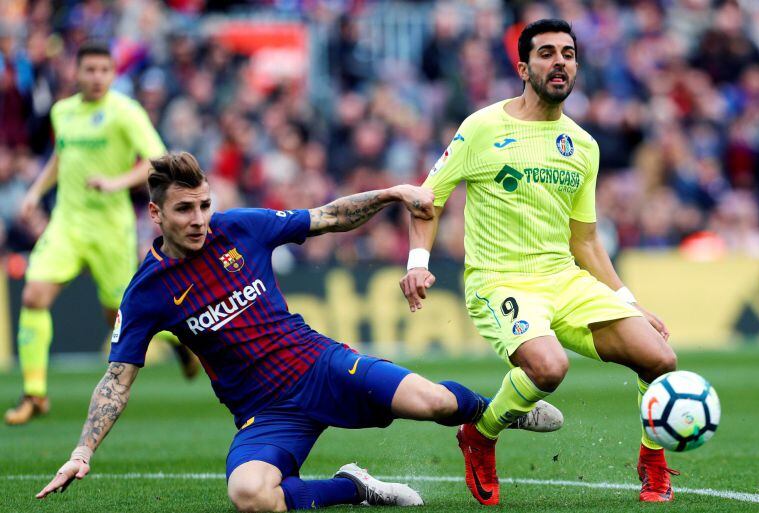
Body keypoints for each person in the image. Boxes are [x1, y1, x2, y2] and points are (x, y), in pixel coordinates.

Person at [35, 152, 563, 511]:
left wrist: (393, 193)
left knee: (434, 404)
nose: (199, 219)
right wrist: (82, 451)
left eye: (203, 205)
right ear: (155, 214)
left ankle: (499, 413)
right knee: (250, 495)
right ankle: (352, 487)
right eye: (184, 210)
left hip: (321, 365)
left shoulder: (240, 226)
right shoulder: (146, 292)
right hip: (265, 413)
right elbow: (116, 380)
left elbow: (329, 217)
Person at [399, 19, 678, 506]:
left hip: (564, 280)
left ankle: (652, 459)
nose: (560, 62)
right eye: (547, 53)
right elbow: (428, 200)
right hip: (499, 280)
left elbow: (586, 241)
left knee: (659, 358)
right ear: (523, 67)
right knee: (549, 368)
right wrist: (417, 261)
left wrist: (629, 302)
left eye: (568, 54)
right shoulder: (482, 127)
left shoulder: (582, 146)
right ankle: (480, 435)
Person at [5, 41, 198, 426]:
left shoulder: (125, 113)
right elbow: (62, 157)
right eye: (89, 70)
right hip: (66, 222)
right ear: (76, 73)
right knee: (33, 295)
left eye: (104, 71)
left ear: (112, 74)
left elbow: (157, 160)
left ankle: (179, 341)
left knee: (120, 316)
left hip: (110, 228)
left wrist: (116, 182)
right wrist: (35, 192)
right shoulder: (63, 112)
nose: (96, 78)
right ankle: (34, 393)